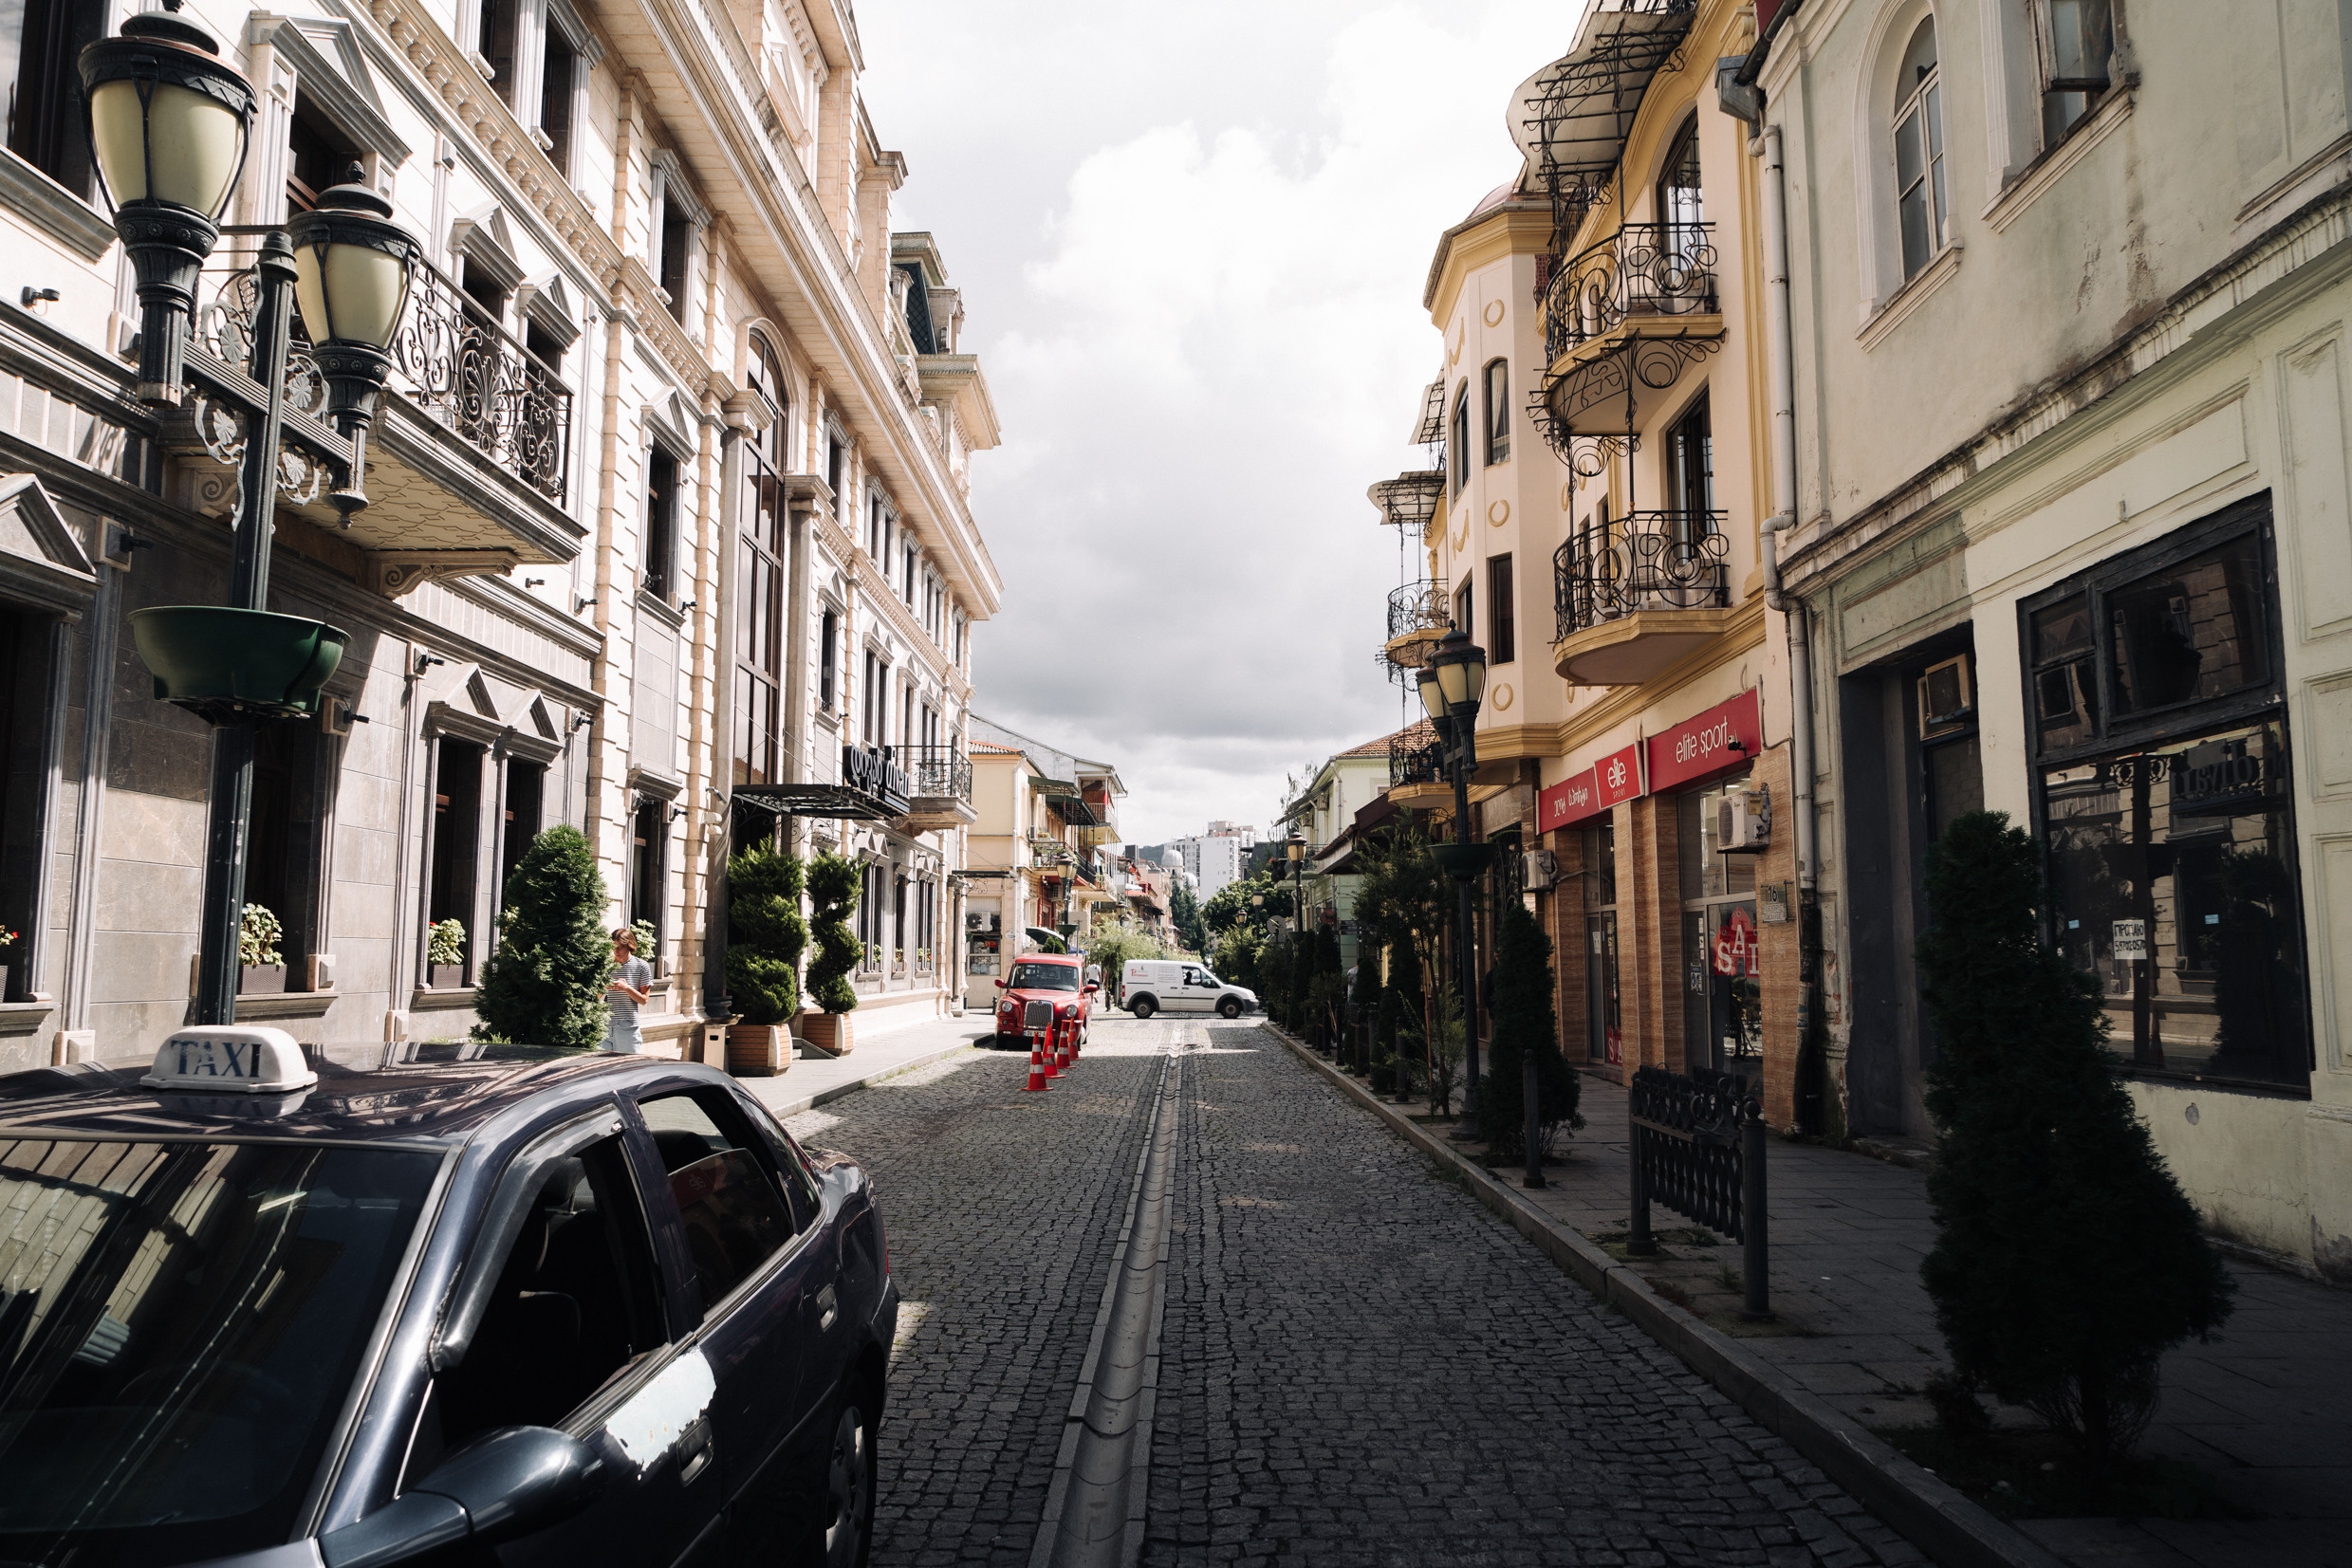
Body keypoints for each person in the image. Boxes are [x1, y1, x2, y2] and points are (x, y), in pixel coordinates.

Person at [603, 927, 653, 1053]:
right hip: (604, 1028)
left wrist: (626, 988)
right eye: (614, 947)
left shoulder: (641, 966)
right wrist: (602, 987)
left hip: (628, 1030)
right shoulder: (606, 966)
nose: (616, 951)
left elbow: (644, 1000)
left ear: (629, 946)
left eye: (620, 947)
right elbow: (594, 998)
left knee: (629, 1069)